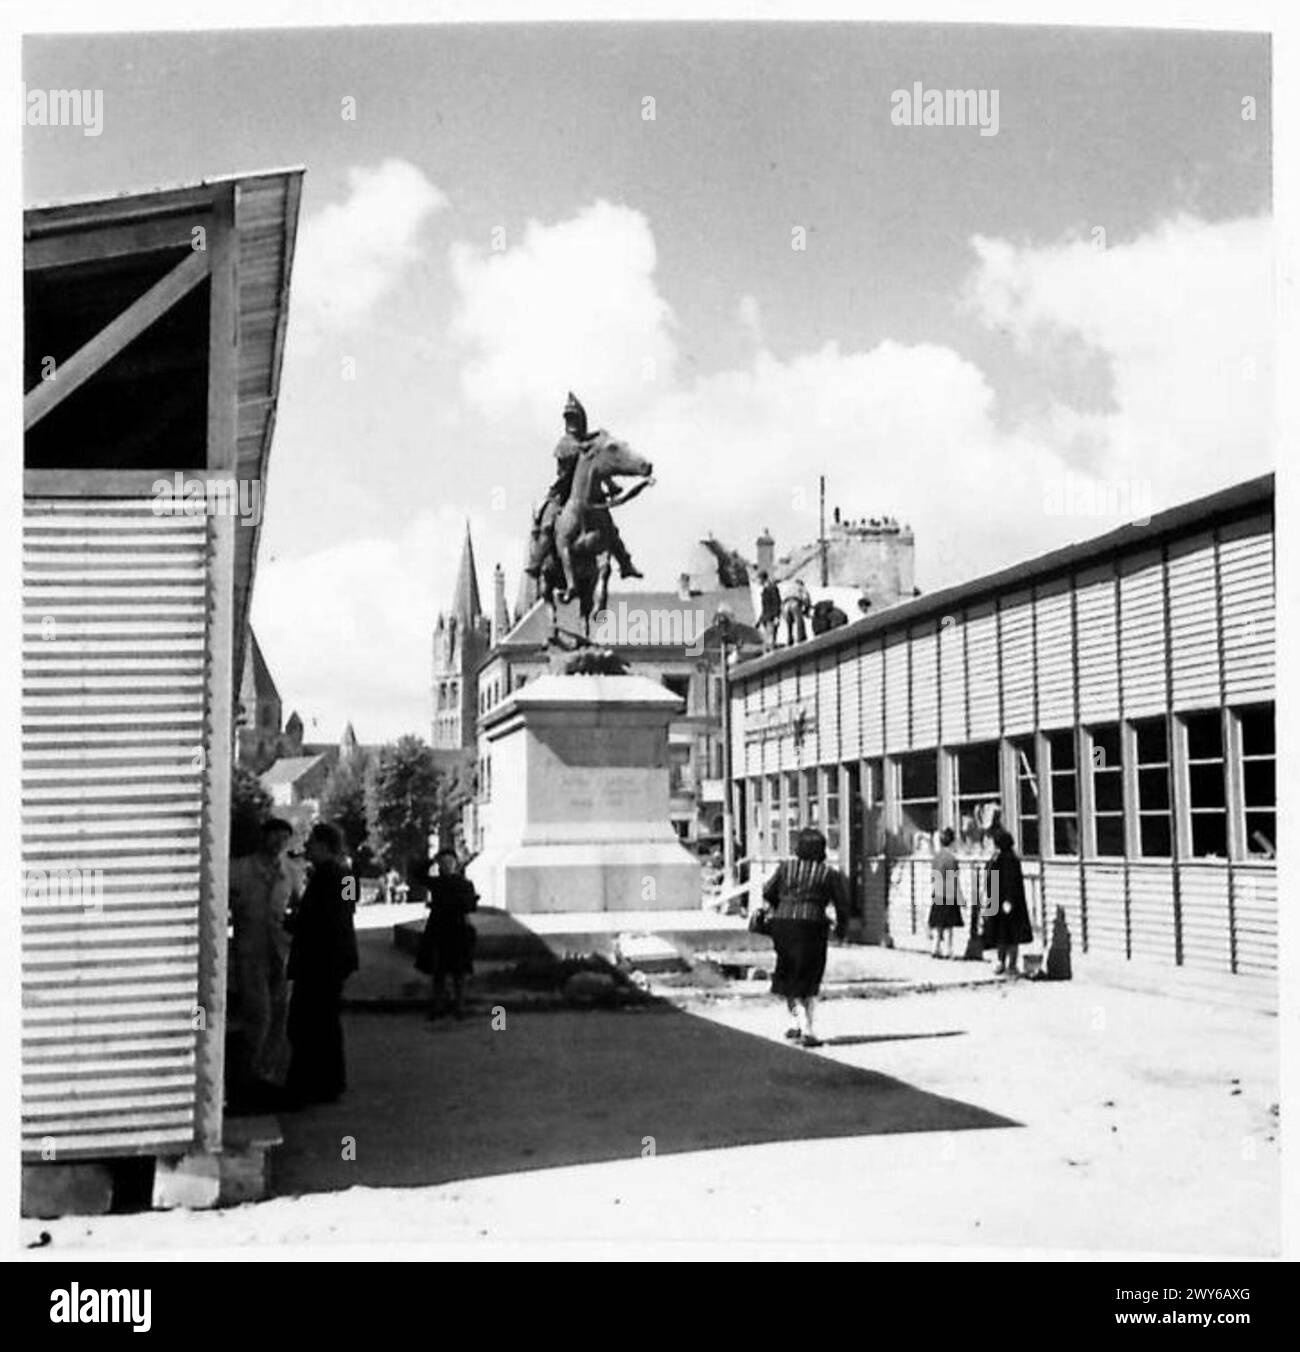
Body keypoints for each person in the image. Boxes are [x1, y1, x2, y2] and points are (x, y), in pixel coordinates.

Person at [525, 392, 643, 583]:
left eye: (574, 418)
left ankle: (625, 563)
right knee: (547, 521)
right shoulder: (567, 443)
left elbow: (601, 464)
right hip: (562, 493)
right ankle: (536, 562)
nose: (571, 423)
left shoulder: (591, 442)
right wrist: (586, 447)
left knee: (610, 528)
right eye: (568, 419)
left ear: (581, 420)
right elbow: (565, 461)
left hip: (589, 496)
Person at [285, 822, 359, 1105]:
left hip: (321, 960)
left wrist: (294, 921)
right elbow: (348, 908)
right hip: (335, 958)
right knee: (325, 1021)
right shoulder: (342, 875)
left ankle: (313, 1083)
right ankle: (329, 1082)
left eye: (312, 844)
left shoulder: (330, 875)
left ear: (325, 846)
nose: (307, 849)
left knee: (310, 1022)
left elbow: (329, 916)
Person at [227, 817, 298, 1109]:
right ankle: (246, 1076)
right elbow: (222, 904)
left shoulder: (291, 871)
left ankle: (267, 1075)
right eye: (275, 837)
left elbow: (297, 904)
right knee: (259, 1016)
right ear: (264, 838)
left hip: (280, 953)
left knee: (279, 1016)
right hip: (250, 952)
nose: (279, 843)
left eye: (285, 838)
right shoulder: (241, 869)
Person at [757, 827, 849, 1047]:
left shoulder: (785, 868)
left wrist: (783, 905)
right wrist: (841, 930)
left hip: (784, 925)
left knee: (789, 974)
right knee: (808, 977)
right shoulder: (828, 874)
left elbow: (768, 891)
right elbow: (842, 904)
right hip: (813, 927)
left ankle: (796, 1023)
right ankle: (806, 1027)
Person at [415, 849, 479, 1019]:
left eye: (449, 863)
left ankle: (458, 1006)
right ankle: (440, 1005)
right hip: (441, 929)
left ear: (455, 865)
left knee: (458, 972)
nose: (446, 866)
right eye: (443, 863)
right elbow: (418, 874)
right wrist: (431, 860)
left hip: (456, 929)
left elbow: (471, 906)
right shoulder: (438, 882)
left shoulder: (464, 883)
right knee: (440, 971)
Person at [981, 825, 1033, 975]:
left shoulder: (1006, 859)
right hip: (1002, 901)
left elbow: (1008, 881)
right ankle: (1006, 963)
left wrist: (1004, 900)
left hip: (1005, 902)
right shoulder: (1003, 858)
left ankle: (1008, 964)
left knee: (1007, 935)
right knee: (1006, 935)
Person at [928, 827, 965, 959]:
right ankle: (949, 950)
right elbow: (954, 879)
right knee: (949, 925)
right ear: (952, 842)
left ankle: (935, 947)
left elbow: (932, 876)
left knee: (937, 923)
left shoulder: (936, 858)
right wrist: (960, 897)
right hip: (949, 892)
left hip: (937, 891)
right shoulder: (952, 859)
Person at [781, 576, 811, 645]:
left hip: (785, 606)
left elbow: (782, 600)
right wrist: (807, 609)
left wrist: (782, 612)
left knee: (789, 624)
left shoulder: (788, 587)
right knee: (799, 621)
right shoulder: (801, 587)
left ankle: (789, 640)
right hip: (794, 603)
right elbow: (806, 598)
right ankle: (800, 639)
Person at [758, 570, 782, 652]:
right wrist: (760, 620)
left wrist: (776, 616)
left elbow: (776, 602)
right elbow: (764, 606)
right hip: (766, 618)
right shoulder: (765, 589)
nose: (758, 582)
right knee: (767, 639)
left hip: (771, 618)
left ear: (762, 579)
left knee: (770, 639)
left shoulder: (772, 588)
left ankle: (772, 655)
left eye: (759, 579)